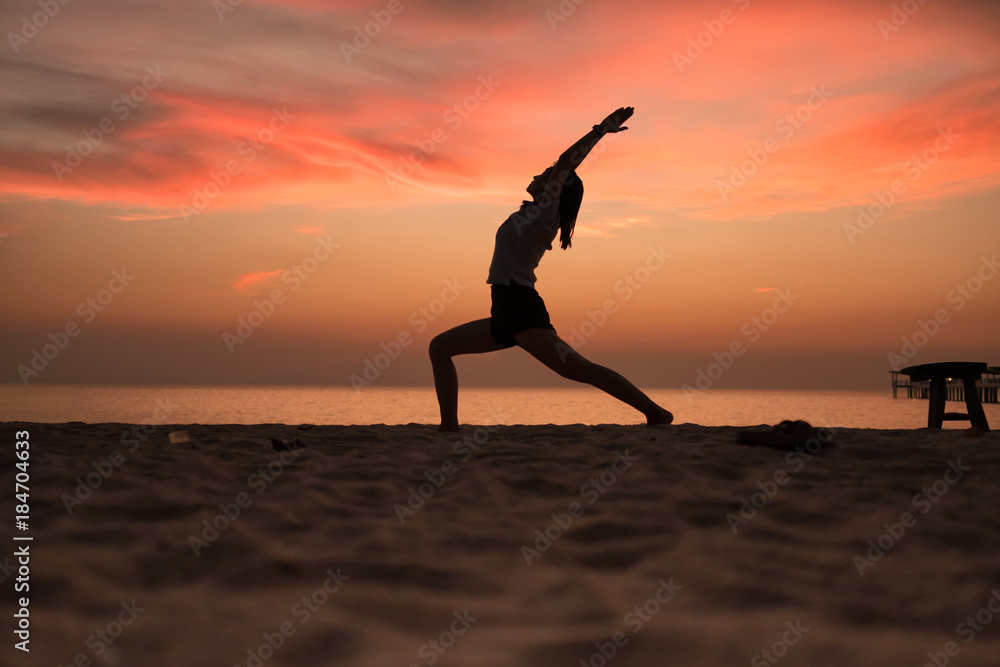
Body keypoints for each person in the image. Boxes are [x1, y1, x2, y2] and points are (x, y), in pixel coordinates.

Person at [428, 106, 673, 432]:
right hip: (504, 306)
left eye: (545, 175)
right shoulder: (527, 216)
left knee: (579, 369)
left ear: (554, 189)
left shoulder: (545, 215)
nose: (538, 176)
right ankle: (449, 427)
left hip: (520, 307)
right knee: (440, 348)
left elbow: (564, 163)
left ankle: (655, 413)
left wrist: (600, 131)